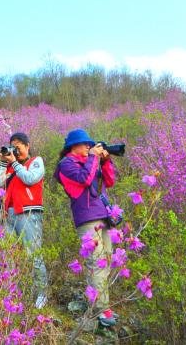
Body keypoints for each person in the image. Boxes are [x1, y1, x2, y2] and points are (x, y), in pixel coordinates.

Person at [53, 129, 118, 327]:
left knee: (106, 259)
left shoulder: (90, 161)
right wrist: (93, 158)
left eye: (90, 144)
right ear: (73, 146)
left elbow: (110, 182)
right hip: (87, 218)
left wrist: (105, 161)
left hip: (103, 215)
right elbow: (84, 179)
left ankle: (97, 303)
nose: (89, 147)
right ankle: (102, 309)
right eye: (85, 144)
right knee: (95, 261)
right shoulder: (66, 165)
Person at [0, 132, 48, 309]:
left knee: (33, 254)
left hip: (29, 213)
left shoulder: (36, 161)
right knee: (8, 255)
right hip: (8, 214)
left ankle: (41, 294)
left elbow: (30, 179)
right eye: (12, 147)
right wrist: (4, 162)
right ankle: (11, 293)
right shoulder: (10, 167)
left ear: (27, 146)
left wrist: (15, 163)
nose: (15, 151)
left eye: (18, 147)